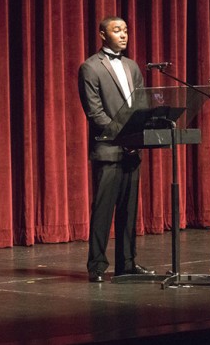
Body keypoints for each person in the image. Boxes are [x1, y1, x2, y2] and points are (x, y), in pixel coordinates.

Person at [78, 16, 155, 282]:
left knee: (129, 212)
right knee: (103, 211)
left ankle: (127, 264)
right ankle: (96, 266)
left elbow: (141, 103)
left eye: (125, 30)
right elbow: (95, 113)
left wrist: (138, 133)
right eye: (117, 30)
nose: (123, 35)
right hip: (108, 149)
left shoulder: (132, 66)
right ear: (102, 34)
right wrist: (123, 134)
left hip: (132, 149)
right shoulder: (90, 67)